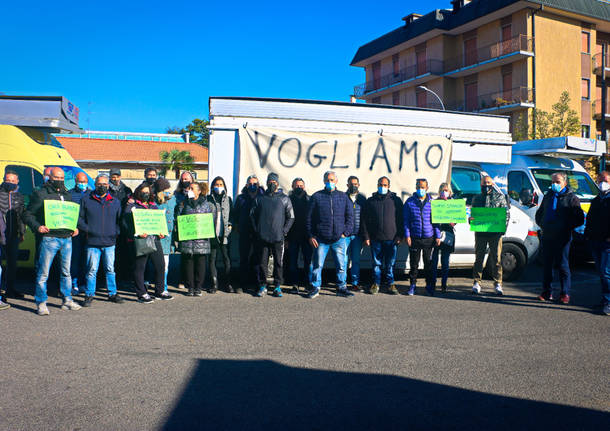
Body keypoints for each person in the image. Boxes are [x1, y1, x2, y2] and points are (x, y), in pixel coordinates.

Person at [22, 167, 81, 315]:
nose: (59, 181)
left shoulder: (67, 195)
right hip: (49, 239)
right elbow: (27, 215)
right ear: (50, 178)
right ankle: (41, 302)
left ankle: (67, 300)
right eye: (57, 178)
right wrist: (38, 227)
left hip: (66, 239)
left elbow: (72, 215)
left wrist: (75, 227)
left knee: (66, 273)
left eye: (62, 178)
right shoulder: (40, 194)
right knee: (43, 273)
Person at [535, 172, 584, 304]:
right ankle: (546, 292)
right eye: (552, 182)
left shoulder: (572, 198)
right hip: (547, 236)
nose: (554, 185)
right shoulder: (548, 196)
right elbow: (540, 213)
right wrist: (543, 225)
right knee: (547, 265)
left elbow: (579, 219)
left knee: (563, 265)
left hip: (562, 237)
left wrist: (565, 226)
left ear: (564, 183)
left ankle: (565, 293)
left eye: (557, 182)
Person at [305, 171, 354, 299]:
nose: (330, 182)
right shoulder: (317, 196)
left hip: (339, 239)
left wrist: (346, 233)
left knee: (341, 265)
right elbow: (309, 218)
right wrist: (311, 235)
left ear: (336, 181)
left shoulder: (343, 197)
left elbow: (350, 216)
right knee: (317, 265)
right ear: (324, 181)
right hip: (321, 239)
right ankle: (315, 287)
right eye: (327, 180)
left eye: (332, 180)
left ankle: (341, 287)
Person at [78, 174, 124, 306]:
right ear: (95, 185)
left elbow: (119, 220)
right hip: (92, 242)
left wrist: (116, 232)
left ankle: (112, 293)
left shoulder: (115, 201)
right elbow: (79, 218)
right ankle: (89, 294)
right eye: (99, 184)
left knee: (110, 269)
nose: (102, 186)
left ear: (108, 185)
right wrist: (88, 230)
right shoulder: (86, 199)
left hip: (110, 242)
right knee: (92, 270)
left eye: (104, 184)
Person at [122, 183, 172, 303]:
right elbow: (125, 223)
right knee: (140, 267)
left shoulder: (153, 206)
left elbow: (159, 222)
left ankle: (160, 291)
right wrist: (137, 232)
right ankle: (141, 293)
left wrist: (162, 232)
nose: (146, 194)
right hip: (140, 240)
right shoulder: (132, 206)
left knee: (160, 265)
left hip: (154, 239)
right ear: (138, 192)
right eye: (143, 192)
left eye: (148, 192)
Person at [250, 173, 294, 297]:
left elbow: (291, 217)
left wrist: (284, 231)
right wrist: (257, 230)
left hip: (278, 238)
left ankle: (277, 286)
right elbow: (252, 216)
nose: (272, 184)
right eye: (270, 182)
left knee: (279, 263)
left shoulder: (285, 198)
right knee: (262, 263)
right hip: (262, 237)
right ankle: (262, 285)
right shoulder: (259, 198)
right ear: (267, 182)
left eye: (274, 182)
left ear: (278, 184)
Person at [362, 176, 404, 295]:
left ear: (389, 186)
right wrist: (366, 237)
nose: (382, 187)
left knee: (390, 264)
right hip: (375, 239)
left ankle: (391, 284)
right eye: (380, 185)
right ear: (377, 185)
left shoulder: (396, 200)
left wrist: (400, 236)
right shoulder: (371, 201)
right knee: (376, 264)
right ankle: (376, 284)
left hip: (392, 239)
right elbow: (364, 220)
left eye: (385, 185)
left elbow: (401, 220)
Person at [470, 175, 510, 296]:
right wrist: (471, 220)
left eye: (488, 183)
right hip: (481, 233)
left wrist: (502, 230)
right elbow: (473, 215)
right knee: (479, 258)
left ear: (492, 184)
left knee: (496, 259)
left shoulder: (500, 197)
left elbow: (506, 215)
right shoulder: (476, 198)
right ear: (481, 185)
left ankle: (498, 283)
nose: (486, 185)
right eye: (484, 183)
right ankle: (477, 282)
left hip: (495, 234)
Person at [176, 182, 215, 296]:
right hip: (187, 239)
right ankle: (190, 287)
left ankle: (198, 287)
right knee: (188, 264)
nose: (190, 190)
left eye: (193, 188)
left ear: (199, 191)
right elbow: (178, 217)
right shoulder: (183, 203)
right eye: (189, 188)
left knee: (200, 264)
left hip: (201, 240)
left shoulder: (206, 204)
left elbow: (210, 220)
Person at [404, 178, 440, 296]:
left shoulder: (432, 203)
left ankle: (429, 285)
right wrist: (407, 235)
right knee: (414, 264)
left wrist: (437, 236)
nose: (421, 189)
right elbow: (406, 221)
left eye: (423, 187)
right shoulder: (409, 202)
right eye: (419, 187)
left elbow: (436, 222)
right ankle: (412, 286)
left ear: (427, 188)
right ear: (416, 187)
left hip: (428, 238)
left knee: (428, 264)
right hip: (415, 238)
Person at [231, 175, 264, 291]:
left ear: (258, 185)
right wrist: (235, 226)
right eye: (250, 184)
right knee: (243, 258)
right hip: (244, 232)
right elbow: (235, 215)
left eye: (255, 184)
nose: (252, 186)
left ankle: (256, 283)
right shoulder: (241, 198)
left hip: (258, 233)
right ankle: (242, 283)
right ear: (246, 185)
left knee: (257, 259)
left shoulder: (263, 197)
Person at [584, 170, 610, 315]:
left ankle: (608, 301)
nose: (602, 183)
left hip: (607, 243)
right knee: (601, 272)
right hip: (595, 240)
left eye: (605, 180)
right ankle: (604, 299)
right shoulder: (597, 199)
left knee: (606, 272)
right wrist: (588, 235)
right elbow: (590, 219)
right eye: (599, 180)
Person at [0, 170, 26, 304]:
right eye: (7, 180)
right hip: (0, 236)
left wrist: (22, 233)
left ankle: (10, 290)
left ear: (17, 182)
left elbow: (21, 217)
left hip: (13, 235)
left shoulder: (19, 197)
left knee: (12, 264)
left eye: (12, 181)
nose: (9, 182)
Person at [207, 176, 234, 293]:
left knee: (226, 259)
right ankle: (214, 284)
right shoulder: (207, 199)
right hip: (212, 235)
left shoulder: (228, 199)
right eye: (216, 185)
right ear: (212, 186)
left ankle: (228, 284)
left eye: (220, 184)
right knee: (212, 259)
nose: (218, 187)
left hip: (224, 236)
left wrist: (230, 226)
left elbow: (232, 215)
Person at [287, 177, 312, 293]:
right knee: (293, 262)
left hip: (307, 236)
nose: (299, 187)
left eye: (301, 185)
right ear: (292, 187)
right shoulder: (287, 200)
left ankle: (308, 283)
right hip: (292, 236)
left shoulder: (309, 200)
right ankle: (295, 284)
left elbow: (314, 218)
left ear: (304, 186)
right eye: (297, 185)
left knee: (308, 262)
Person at [153, 177, 177, 295]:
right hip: (157, 237)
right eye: (165, 189)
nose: (168, 191)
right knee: (158, 265)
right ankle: (158, 287)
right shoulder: (154, 202)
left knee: (166, 264)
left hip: (168, 238)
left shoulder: (173, 200)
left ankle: (164, 287)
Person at [430, 183, 456, 293]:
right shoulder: (435, 203)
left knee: (445, 262)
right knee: (434, 262)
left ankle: (444, 284)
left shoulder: (454, 204)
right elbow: (431, 219)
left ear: (450, 192)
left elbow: (456, 220)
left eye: (446, 190)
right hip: (435, 235)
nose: (444, 192)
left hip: (448, 236)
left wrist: (453, 222)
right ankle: (433, 283)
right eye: (442, 190)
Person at [69, 172, 90, 295]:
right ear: (75, 181)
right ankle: (74, 283)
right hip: (75, 232)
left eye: (84, 181)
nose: (82, 184)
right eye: (80, 181)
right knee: (74, 259)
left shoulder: (91, 194)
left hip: (87, 232)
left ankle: (83, 283)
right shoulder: (70, 194)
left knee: (85, 260)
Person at [344, 176, 367, 292]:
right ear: (347, 185)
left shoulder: (362, 199)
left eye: (355, 184)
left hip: (358, 235)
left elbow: (366, 218)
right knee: (343, 261)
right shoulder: (342, 197)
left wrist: (365, 235)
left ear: (359, 185)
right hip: (345, 235)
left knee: (356, 260)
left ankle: (355, 283)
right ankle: (342, 284)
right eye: (351, 184)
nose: (353, 186)